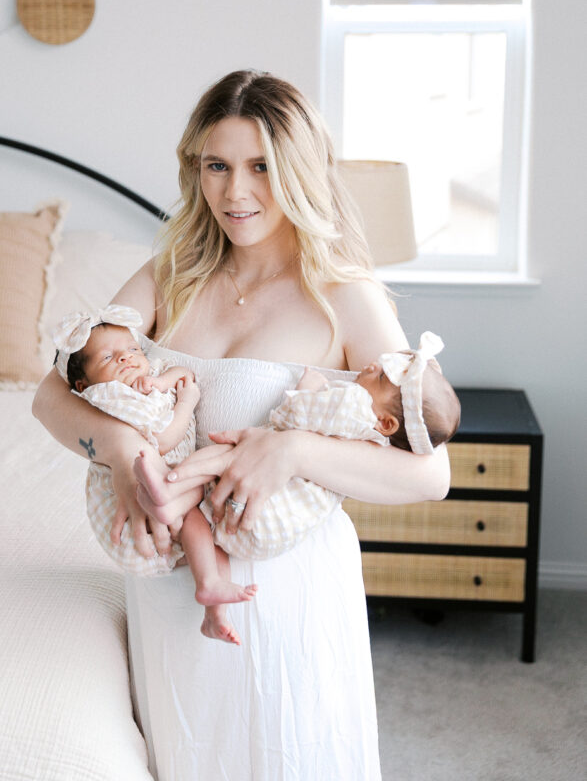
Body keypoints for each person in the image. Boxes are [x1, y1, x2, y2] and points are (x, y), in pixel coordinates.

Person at [33, 69, 451, 781]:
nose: (234, 193)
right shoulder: (170, 273)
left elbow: (428, 474)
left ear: (300, 170)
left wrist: (291, 450)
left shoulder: (343, 295)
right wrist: (120, 447)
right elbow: (51, 395)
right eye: (216, 166)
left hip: (286, 592)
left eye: (261, 167)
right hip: (170, 588)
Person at [136, 330, 460, 562]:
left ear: (387, 424)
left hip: (271, 504)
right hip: (272, 520)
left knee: (218, 457)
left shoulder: (354, 408)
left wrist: (309, 391)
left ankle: (171, 483)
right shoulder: (374, 426)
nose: (373, 366)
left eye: (381, 377)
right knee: (218, 470)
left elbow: (303, 413)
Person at [51, 305, 257, 645]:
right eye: (108, 358)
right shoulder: (109, 397)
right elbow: (163, 438)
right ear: (82, 383)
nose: (126, 359)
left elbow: (180, 371)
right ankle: (166, 504)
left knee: (207, 533)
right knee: (199, 503)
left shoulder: (147, 374)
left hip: (179, 477)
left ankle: (214, 607)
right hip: (150, 474)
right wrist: (186, 404)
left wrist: (162, 380)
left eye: (132, 350)